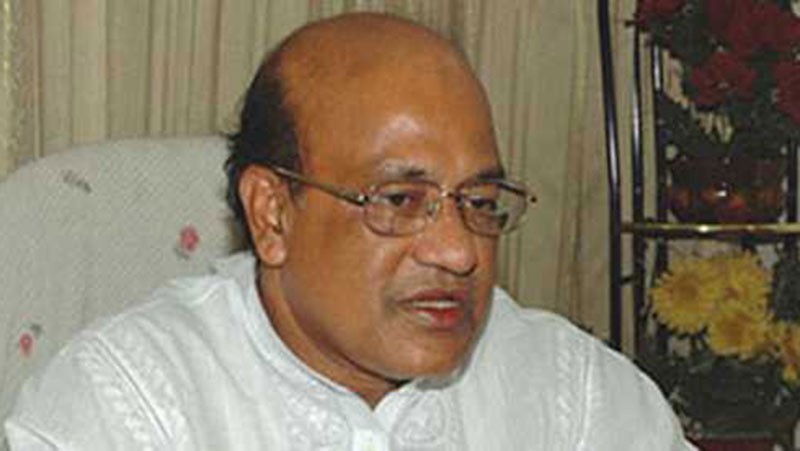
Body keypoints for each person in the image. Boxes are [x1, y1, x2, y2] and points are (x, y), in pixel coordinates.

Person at [4, 12, 695, 450]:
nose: (459, 250)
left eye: (480, 201)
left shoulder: (570, 392)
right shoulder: (129, 404)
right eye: (400, 199)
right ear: (272, 214)